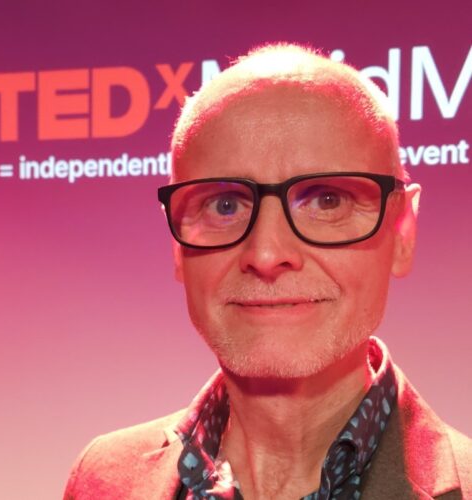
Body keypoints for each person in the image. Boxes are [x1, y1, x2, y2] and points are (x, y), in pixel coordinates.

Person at [63, 44, 472, 500]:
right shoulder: (102, 479)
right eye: (225, 205)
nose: (266, 252)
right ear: (176, 243)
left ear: (403, 232)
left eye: (327, 201)